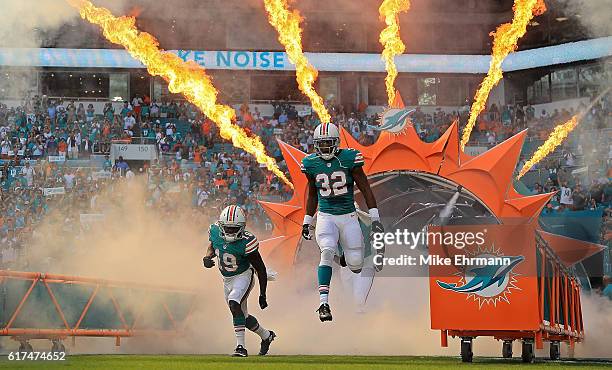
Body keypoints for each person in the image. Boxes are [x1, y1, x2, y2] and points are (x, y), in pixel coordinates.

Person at [300, 123, 384, 322]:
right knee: (326, 251)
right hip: (326, 216)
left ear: (337, 143)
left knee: (355, 264)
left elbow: (365, 189)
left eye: (329, 143)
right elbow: (312, 194)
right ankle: (323, 304)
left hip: (349, 217)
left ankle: (344, 255)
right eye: (322, 144)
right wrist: (306, 221)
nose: (326, 148)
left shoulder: (349, 159)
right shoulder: (310, 164)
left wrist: (375, 218)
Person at [202, 205, 276, 357]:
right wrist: (207, 257)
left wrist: (263, 294)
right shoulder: (215, 231)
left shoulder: (247, 242)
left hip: (243, 276)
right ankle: (266, 336)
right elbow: (213, 246)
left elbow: (261, 269)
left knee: (234, 303)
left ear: (242, 227)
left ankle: (240, 347)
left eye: (233, 228)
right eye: (227, 228)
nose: (229, 231)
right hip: (227, 280)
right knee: (242, 316)